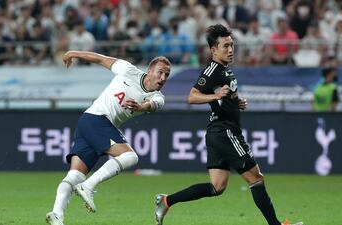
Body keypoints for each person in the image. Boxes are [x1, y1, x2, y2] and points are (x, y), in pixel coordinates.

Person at [154, 24, 303, 225]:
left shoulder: (225, 69)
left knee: (217, 186)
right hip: (225, 131)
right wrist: (215, 95)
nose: (231, 50)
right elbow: (191, 97)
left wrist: (236, 101)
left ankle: (166, 201)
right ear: (214, 49)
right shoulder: (212, 70)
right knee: (256, 177)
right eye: (225, 46)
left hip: (217, 131)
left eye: (232, 45)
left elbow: (225, 95)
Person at [46, 51, 171, 225]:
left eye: (167, 74)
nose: (163, 77)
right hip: (96, 118)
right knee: (130, 156)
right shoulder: (128, 70)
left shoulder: (157, 97)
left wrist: (141, 106)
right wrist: (73, 53)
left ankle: (57, 214)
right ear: (149, 71)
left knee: (75, 175)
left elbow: (152, 106)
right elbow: (100, 59)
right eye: (160, 72)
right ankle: (88, 187)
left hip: (88, 123)